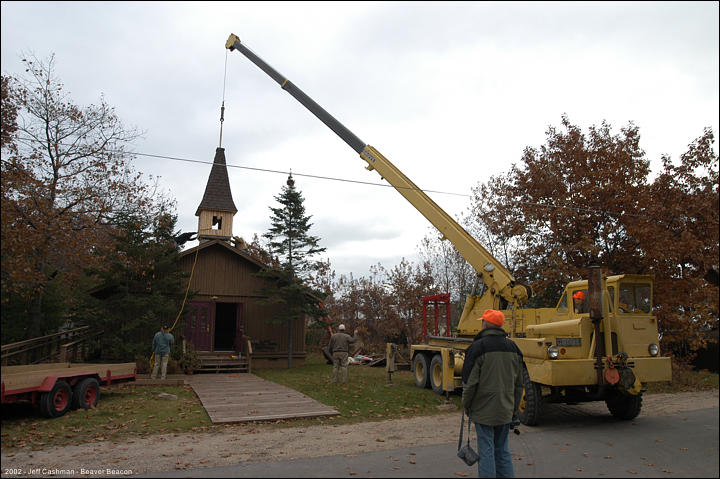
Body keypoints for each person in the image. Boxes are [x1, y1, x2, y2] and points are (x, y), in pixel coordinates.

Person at [461, 309, 524, 478]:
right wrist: (514, 408)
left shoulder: (477, 348)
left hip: (483, 409)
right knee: (502, 449)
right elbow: (519, 384)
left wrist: (466, 405)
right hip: (505, 408)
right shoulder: (513, 348)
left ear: (485, 325)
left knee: (486, 450)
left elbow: (470, 383)